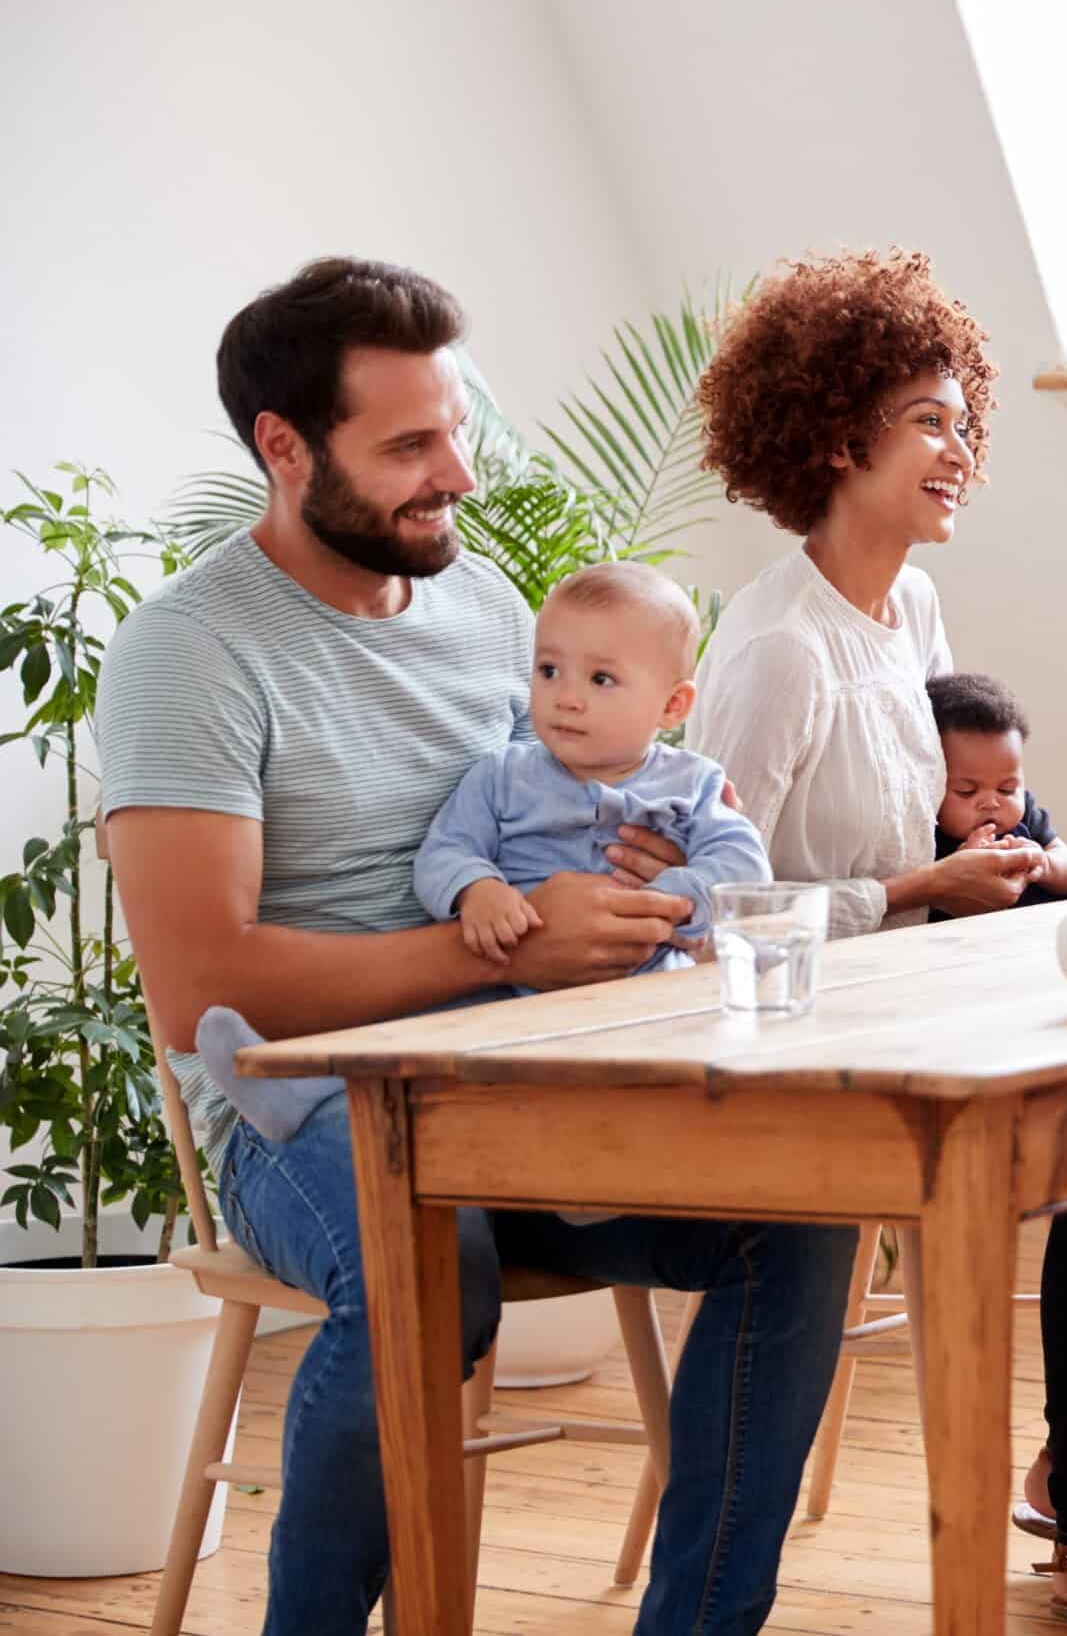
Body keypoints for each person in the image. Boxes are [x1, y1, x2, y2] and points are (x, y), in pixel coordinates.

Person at [99, 257, 859, 1636]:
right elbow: (206, 983)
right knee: (423, 1256)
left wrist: (658, 863)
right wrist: (497, 952)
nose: (456, 470)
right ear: (284, 448)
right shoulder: (192, 652)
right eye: (407, 444)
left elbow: (549, 819)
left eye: (453, 427)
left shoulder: (491, 605)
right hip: (299, 1103)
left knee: (800, 1208)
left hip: (519, 1078)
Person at [685, 248, 1067, 1636]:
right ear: (836, 434)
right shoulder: (777, 651)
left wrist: (1036, 854)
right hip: (810, 1040)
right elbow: (712, 923)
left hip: (922, 996)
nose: (962, 452)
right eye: (932, 421)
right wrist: (917, 888)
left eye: (962, 421)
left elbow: (946, 807)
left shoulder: (909, 610)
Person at [190, 559, 770, 1146]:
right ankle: (299, 1091)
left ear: (672, 706)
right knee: (421, 1039)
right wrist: (478, 890)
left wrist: (675, 897)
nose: (565, 697)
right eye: (548, 670)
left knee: (704, 1066)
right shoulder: (503, 776)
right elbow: (447, 848)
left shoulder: (694, 783)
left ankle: (596, 1184)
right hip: (508, 992)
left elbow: (742, 859)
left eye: (600, 680)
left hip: (642, 994)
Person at [923, 669, 1067, 920]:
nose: (991, 802)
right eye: (967, 791)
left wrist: (1044, 864)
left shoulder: (1025, 815)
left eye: (1007, 789)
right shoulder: (927, 838)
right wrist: (960, 870)